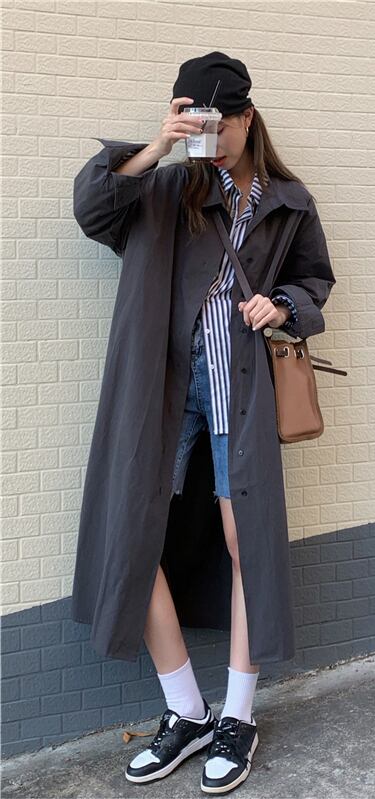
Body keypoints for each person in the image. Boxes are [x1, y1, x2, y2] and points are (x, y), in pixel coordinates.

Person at [70, 52, 335, 794]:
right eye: (193, 120)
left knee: (244, 538)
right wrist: (158, 145)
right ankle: (186, 708)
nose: (208, 137)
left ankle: (238, 716)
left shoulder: (289, 200)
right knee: (134, 532)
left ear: (248, 118)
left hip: (240, 389)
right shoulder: (161, 187)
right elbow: (93, 211)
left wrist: (283, 305)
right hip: (158, 388)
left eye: (218, 122)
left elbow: (315, 280)